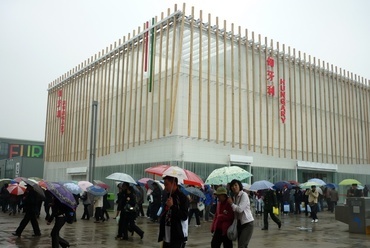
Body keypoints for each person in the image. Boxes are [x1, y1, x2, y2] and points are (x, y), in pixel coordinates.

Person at [158, 175, 189, 248]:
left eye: (166, 184)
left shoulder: (182, 198)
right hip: (166, 232)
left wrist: (172, 206)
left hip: (177, 235)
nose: (165, 187)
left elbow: (184, 216)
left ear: (174, 184)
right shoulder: (168, 195)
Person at [227, 179, 254, 248]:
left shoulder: (244, 195)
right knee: (242, 245)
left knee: (241, 245)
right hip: (239, 223)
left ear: (239, 186)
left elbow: (240, 209)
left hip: (247, 223)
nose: (234, 187)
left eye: (236, 185)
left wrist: (231, 203)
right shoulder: (234, 197)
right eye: (232, 186)